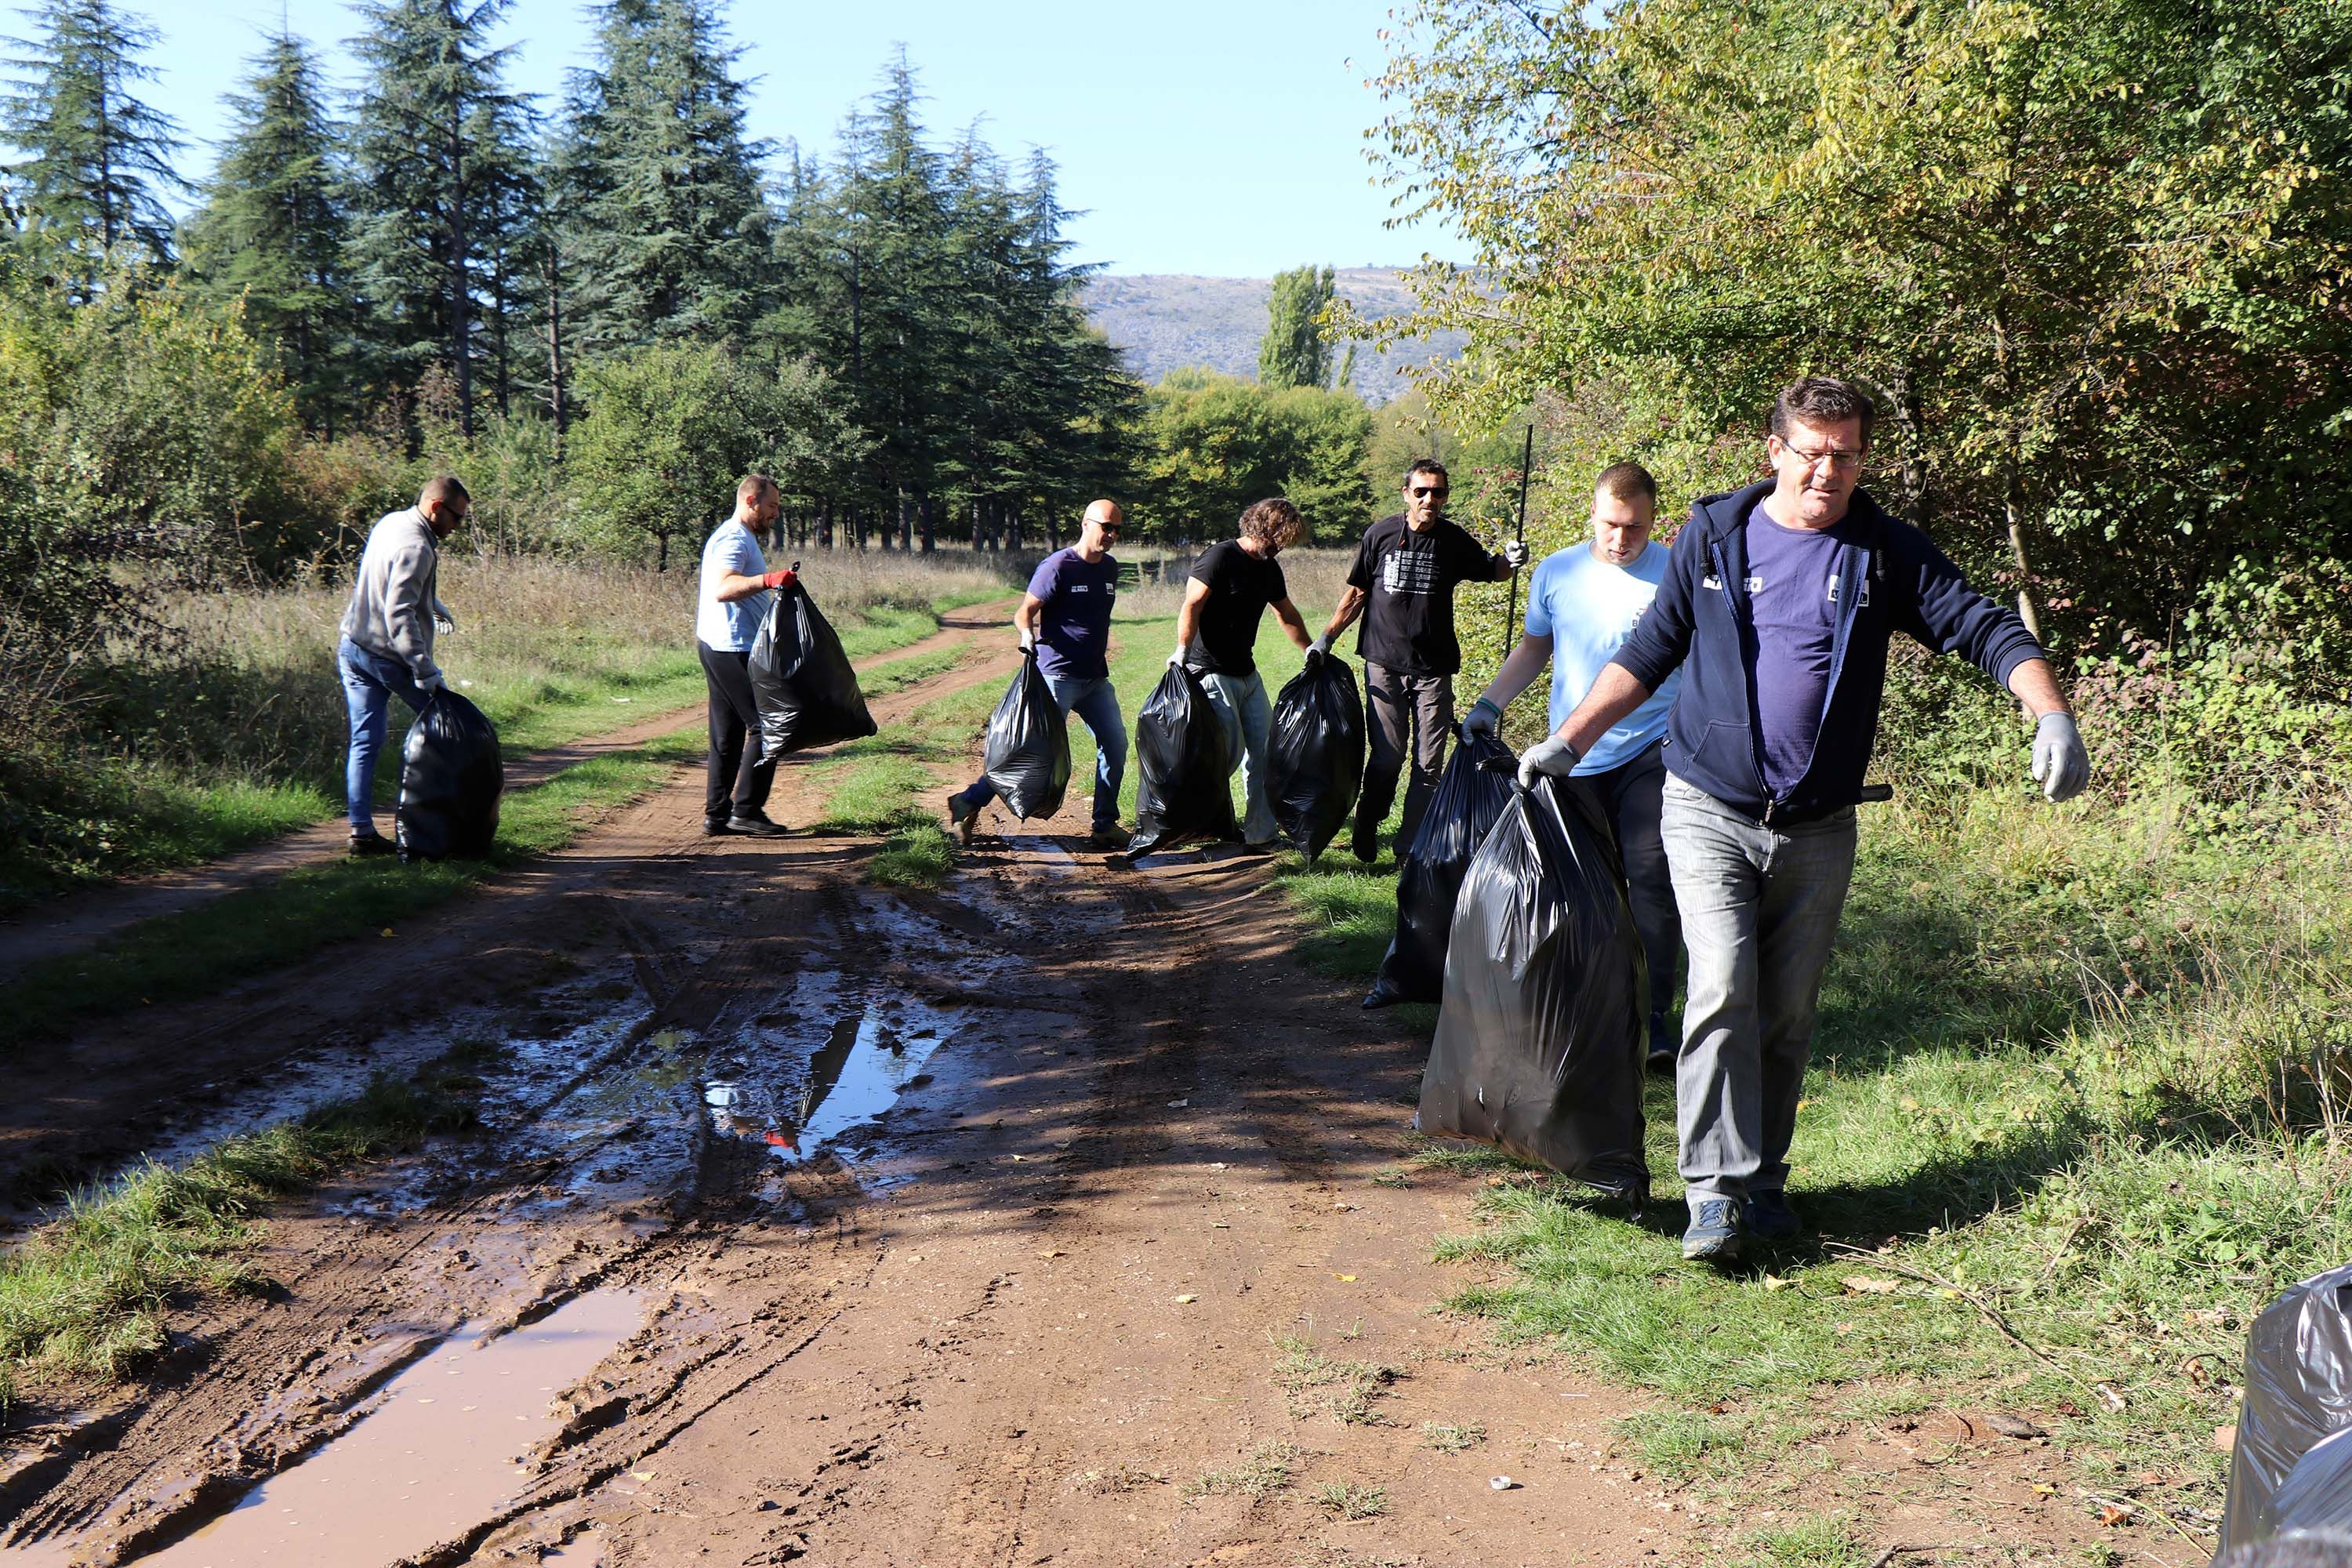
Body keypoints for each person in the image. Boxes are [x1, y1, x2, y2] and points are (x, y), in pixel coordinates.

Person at [1519, 377, 2090, 1264]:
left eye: (1848, 453)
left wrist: (2051, 712)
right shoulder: (1712, 536)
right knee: (1720, 986)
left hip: (1820, 825)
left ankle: (1764, 1178)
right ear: (1775, 450)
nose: (1830, 470)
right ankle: (1711, 1192)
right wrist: (1567, 739)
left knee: (1785, 1010)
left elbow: (1983, 627)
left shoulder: (1884, 550)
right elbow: (1646, 652)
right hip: (1706, 805)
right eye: (1814, 450)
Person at [1466, 460, 1684, 1074]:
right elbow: (1536, 647)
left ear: (1653, 521)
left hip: (1654, 750)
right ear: (1592, 513)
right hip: (1572, 756)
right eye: (1612, 524)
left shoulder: (1676, 573)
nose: (1621, 539)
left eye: (1635, 528)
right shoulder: (1556, 573)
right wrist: (1489, 704)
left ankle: (1655, 1019)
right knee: (1578, 888)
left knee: (1650, 878)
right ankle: (1578, 1006)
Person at [1314, 457, 1528, 863]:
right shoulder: (1379, 535)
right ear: (1406, 494)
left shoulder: (1452, 539)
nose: (1430, 498)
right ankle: (1368, 820)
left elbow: (1493, 570)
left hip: (1434, 668)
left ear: (1446, 496)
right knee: (1388, 756)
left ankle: (1409, 848)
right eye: (1422, 491)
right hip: (1384, 663)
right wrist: (1326, 638)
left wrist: (1511, 559)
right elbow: (1358, 594)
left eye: (1439, 492)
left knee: (1429, 763)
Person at [947, 499, 1133, 850]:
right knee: (1030, 751)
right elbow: (1025, 611)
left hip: (1095, 678)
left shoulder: (1109, 568)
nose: (1111, 534)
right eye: (1105, 526)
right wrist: (1026, 634)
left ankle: (1105, 824)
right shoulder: (1058, 566)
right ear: (1086, 524)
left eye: (1117, 529)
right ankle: (969, 800)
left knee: (1116, 745)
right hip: (1056, 676)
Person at [338, 475, 470, 855]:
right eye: (456, 518)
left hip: (352, 645)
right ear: (435, 508)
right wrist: (425, 671)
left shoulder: (392, 522)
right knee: (445, 729)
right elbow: (399, 615)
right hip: (386, 658)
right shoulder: (419, 547)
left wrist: (433, 604)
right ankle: (437, 829)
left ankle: (361, 833)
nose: (457, 527)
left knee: (365, 742)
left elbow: (391, 582)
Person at [1175, 497, 1315, 849]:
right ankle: (1201, 828)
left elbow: (1287, 614)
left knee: (1267, 753)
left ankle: (1260, 834)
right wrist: (1181, 650)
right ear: (1265, 529)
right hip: (1210, 672)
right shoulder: (1219, 557)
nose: (1282, 547)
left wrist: (1311, 650)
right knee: (1227, 755)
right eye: (1281, 538)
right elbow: (1192, 604)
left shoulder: (1268, 567)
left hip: (1247, 674)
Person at [696, 474, 799, 838]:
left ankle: (717, 815)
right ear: (751, 501)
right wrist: (770, 580)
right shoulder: (733, 538)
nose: (775, 515)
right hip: (732, 646)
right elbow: (723, 589)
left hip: (717, 643)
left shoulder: (736, 536)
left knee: (727, 735)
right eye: (772, 507)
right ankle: (747, 810)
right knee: (768, 726)